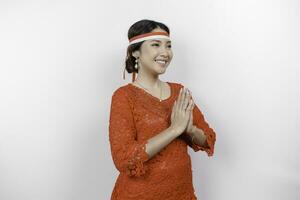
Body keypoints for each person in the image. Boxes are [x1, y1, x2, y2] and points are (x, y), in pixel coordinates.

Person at [108, 19, 216, 200]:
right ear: (135, 52)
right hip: (139, 195)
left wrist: (190, 130)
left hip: (181, 193)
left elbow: (208, 139)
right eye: (156, 45)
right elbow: (125, 159)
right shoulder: (124, 96)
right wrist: (174, 130)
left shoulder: (179, 92)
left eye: (168, 46)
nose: (165, 53)